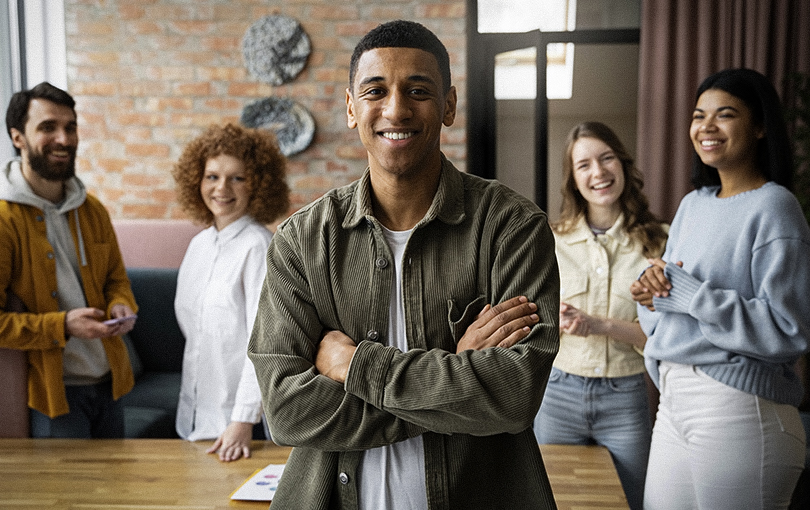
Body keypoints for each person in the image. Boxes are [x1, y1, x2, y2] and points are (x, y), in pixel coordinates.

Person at [247, 20, 561, 509]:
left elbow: (515, 396)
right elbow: (288, 413)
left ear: (449, 105)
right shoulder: (302, 241)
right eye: (375, 91)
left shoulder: (512, 228)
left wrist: (353, 365)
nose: (396, 108)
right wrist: (460, 375)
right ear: (352, 108)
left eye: (418, 90)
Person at [633, 68, 810, 509]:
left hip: (739, 404)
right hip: (673, 399)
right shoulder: (692, 205)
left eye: (724, 114)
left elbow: (789, 330)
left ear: (760, 125)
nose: (706, 126)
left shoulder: (774, 206)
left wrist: (692, 295)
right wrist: (651, 295)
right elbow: (670, 310)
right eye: (698, 115)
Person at [533, 121, 667, 510]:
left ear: (623, 164)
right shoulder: (550, 240)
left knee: (630, 501)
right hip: (557, 394)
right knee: (553, 501)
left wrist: (598, 325)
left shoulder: (660, 240)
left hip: (626, 397)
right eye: (584, 165)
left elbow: (666, 338)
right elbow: (528, 326)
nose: (598, 172)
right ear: (573, 180)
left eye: (607, 158)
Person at [0, 82, 138, 438]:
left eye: (70, 127)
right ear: (18, 137)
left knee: (118, 491)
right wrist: (63, 325)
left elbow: (116, 280)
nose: (64, 138)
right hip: (55, 395)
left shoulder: (93, 210)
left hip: (113, 383)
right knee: (68, 495)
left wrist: (121, 303)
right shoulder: (3, 219)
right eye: (48, 127)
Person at [172, 123, 289, 462]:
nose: (222, 188)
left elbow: (264, 343)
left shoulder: (258, 247)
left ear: (258, 185)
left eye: (237, 177)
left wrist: (242, 420)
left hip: (241, 426)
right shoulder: (198, 246)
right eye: (212, 176)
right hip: (194, 414)